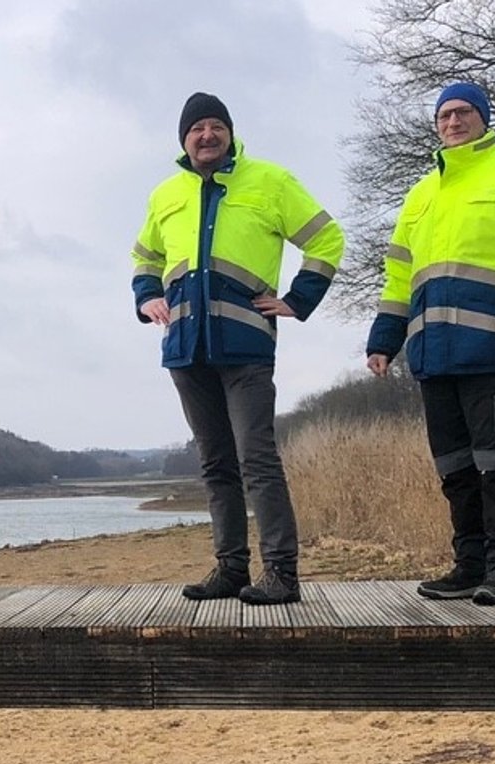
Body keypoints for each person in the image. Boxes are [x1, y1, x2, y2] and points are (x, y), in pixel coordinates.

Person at [365, 81, 495, 606]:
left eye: (463, 113)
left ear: (483, 119)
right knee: (455, 469)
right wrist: (384, 340)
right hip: (434, 357)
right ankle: (469, 565)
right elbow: (398, 278)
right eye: (444, 116)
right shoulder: (420, 194)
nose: (453, 122)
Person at [133, 92, 344, 605]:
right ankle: (230, 569)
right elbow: (145, 255)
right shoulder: (165, 194)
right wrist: (147, 297)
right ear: (183, 140)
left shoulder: (270, 181)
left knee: (257, 458)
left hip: (247, 347)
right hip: (186, 348)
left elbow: (326, 238)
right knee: (215, 463)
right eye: (196, 129)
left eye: (215, 126)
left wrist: (298, 299)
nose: (206, 136)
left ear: (229, 132)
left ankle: (281, 574)